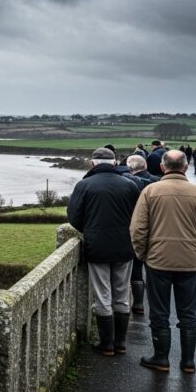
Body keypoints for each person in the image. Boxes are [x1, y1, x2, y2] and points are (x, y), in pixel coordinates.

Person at [131, 150, 196, 373]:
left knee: (159, 312)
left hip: (157, 261)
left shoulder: (150, 191)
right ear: (186, 167)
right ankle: (188, 362)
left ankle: (161, 358)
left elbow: (138, 229)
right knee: (188, 313)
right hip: (189, 261)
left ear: (162, 167)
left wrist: (143, 254)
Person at [68, 147, 140, 356]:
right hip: (125, 246)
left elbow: (73, 216)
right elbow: (138, 216)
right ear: (115, 163)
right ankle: (121, 342)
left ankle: (106, 344)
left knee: (103, 295)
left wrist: (90, 230)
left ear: (92, 164)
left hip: (97, 245)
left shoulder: (84, 185)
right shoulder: (130, 184)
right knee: (122, 294)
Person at [125, 154, 158, 314]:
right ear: (145, 166)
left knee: (136, 266)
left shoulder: (128, 183)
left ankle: (138, 303)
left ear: (130, 168)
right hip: (157, 230)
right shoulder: (157, 181)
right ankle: (155, 300)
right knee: (154, 266)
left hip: (137, 229)